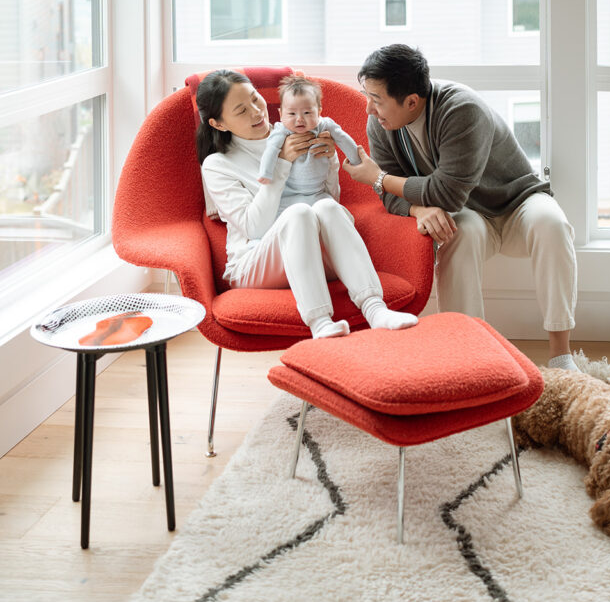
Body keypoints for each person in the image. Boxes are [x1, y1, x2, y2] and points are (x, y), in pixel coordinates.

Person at [342, 44, 579, 371]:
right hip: (468, 213)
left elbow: (446, 192)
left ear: (412, 101)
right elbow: (391, 195)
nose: (369, 108)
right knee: (455, 234)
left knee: (552, 223)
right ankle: (467, 355)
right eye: (366, 95)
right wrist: (417, 210)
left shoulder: (461, 109)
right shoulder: (381, 124)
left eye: (376, 99)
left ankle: (561, 354)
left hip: (515, 202)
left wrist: (378, 177)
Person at [196, 69, 418, 340]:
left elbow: (329, 203)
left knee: (324, 208)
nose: (256, 112)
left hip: (315, 254)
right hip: (254, 263)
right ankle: (320, 322)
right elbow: (254, 228)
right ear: (218, 123)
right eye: (241, 110)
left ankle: (375, 309)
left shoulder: (301, 130)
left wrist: (330, 161)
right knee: (298, 213)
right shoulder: (218, 165)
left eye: (255, 99)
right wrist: (282, 164)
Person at [258, 74, 361, 214]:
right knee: (288, 216)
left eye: (307, 112)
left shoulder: (324, 125)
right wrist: (266, 173)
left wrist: (356, 160)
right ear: (281, 114)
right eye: (292, 114)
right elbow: (271, 150)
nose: (299, 119)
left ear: (319, 111)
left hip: (318, 192)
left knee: (332, 211)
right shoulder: (281, 130)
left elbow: (343, 138)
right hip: (289, 194)